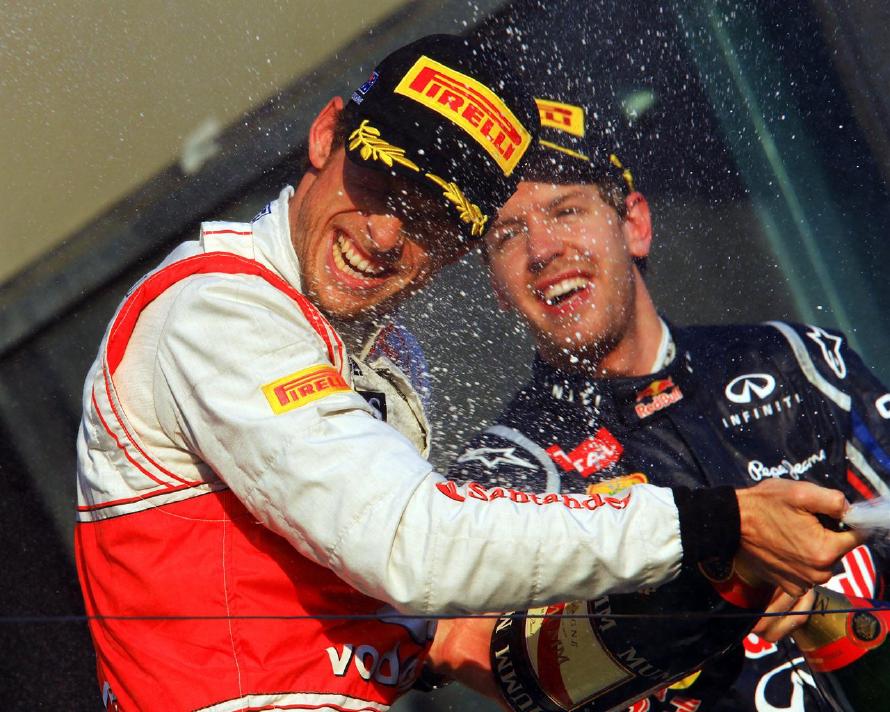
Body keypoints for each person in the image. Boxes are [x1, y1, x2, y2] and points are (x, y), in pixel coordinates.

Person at [74, 36, 860, 711]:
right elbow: (412, 547)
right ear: (325, 136)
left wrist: (708, 592)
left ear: (460, 249)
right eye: (379, 181)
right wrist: (711, 525)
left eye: (431, 218)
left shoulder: (378, 358)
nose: (385, 234)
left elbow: (457, 638)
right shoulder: (220, 310)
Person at [444, 96, 890, 710]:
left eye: (567, 209)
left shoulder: (793, 360)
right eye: (508, 234)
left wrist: (838, 587)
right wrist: (722, 577)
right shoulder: (505, 472)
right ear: (496, 284)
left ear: (634, 225)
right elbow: (485, 660)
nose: (542, 249)